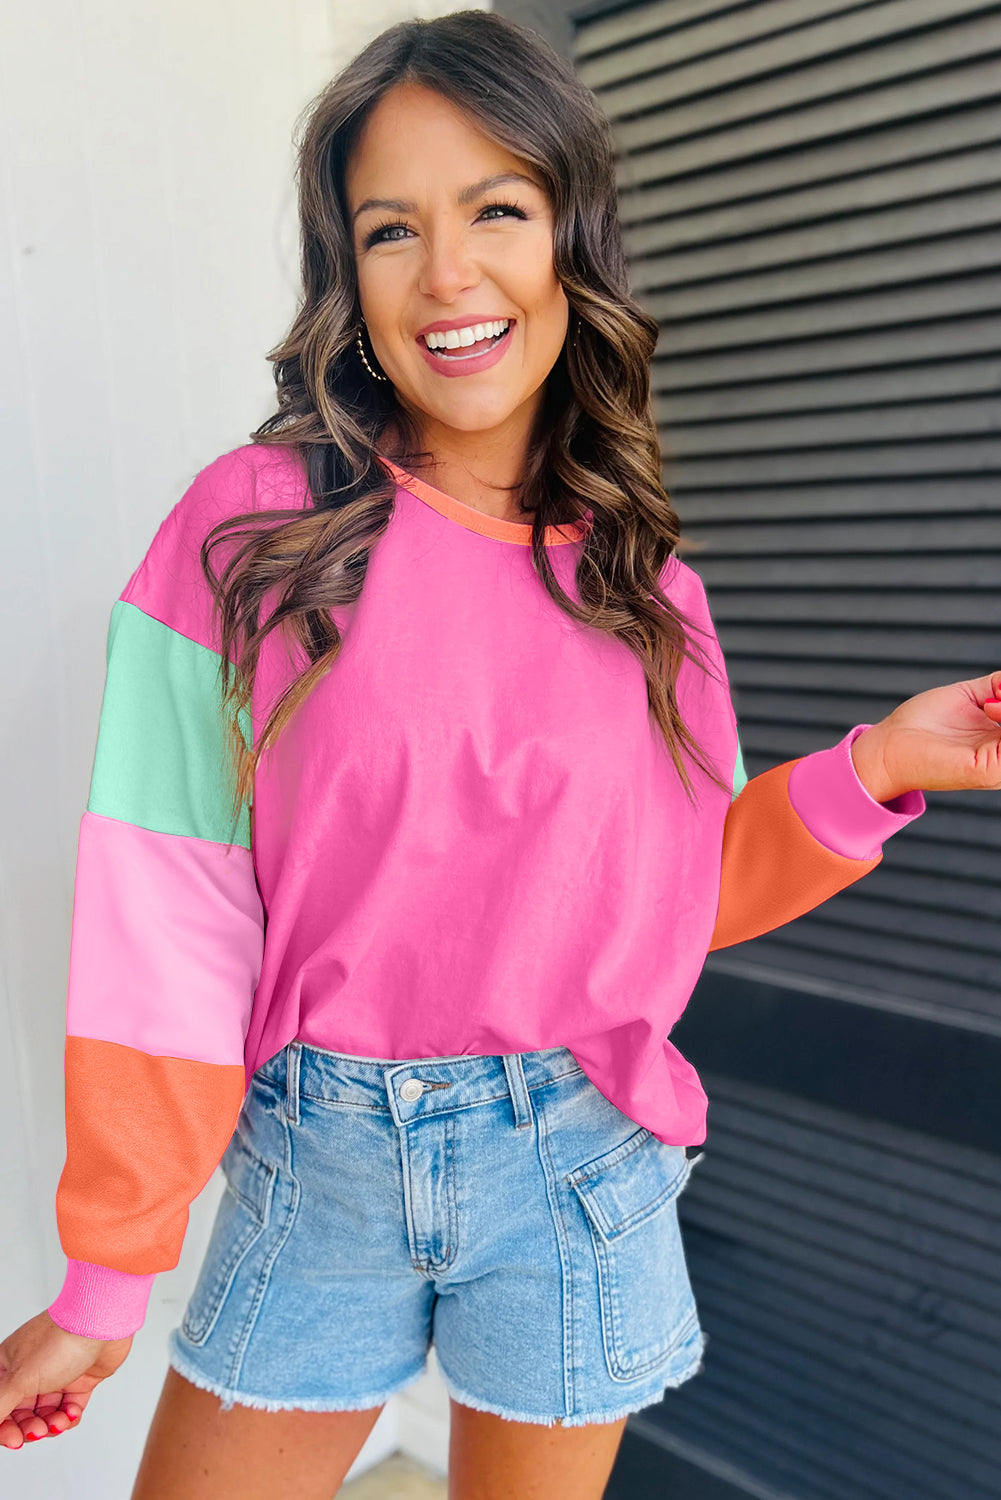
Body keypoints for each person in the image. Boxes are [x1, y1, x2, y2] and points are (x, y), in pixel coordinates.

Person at [1, 11, 998, 1497]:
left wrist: (877, 766)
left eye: (498, 211)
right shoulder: (255, 527)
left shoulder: (645, 586)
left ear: (571, 242)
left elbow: (676, 892)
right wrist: (109, 1270)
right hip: (315, 1161)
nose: (449, 276)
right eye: (390, 229)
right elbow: (166, 905)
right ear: (348, 271)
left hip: (574, 1166)